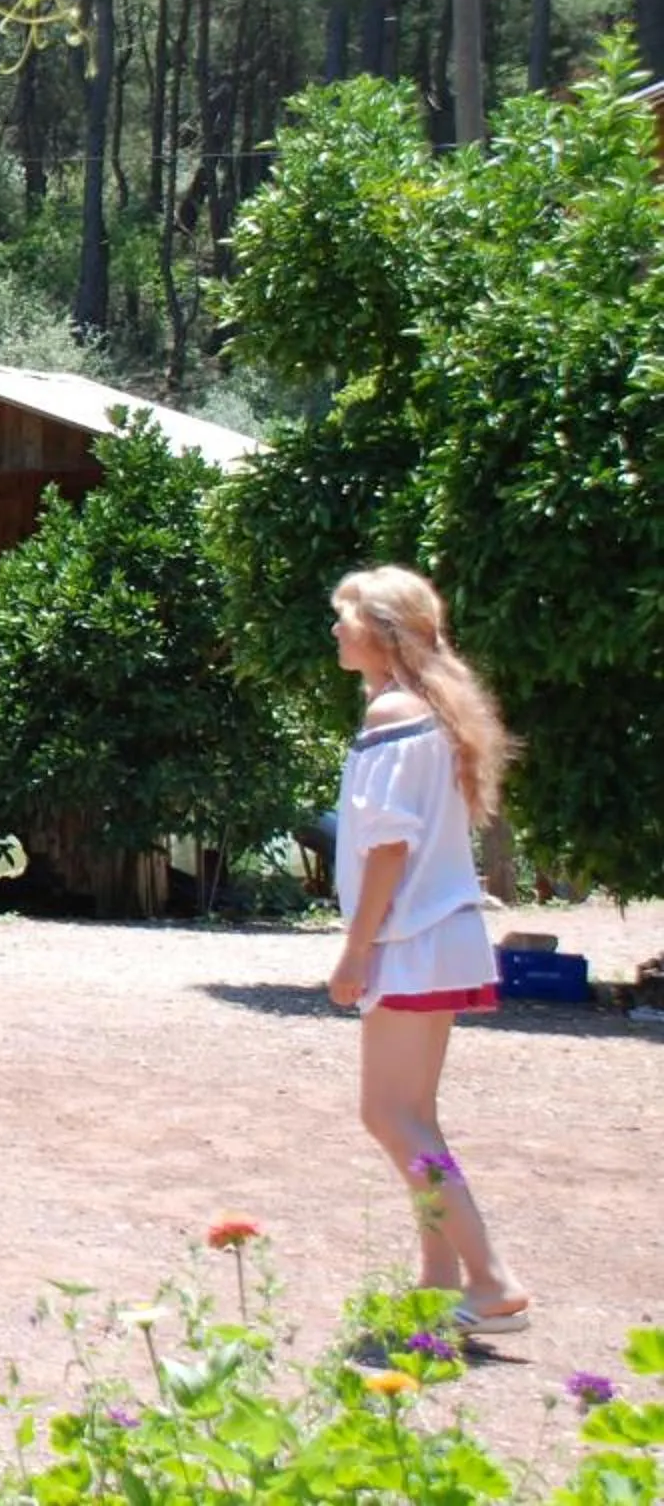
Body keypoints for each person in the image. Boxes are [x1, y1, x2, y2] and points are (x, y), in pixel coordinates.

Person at [326, 564, 528, 1339]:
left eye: (346, 620)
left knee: (388, 1114)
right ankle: (441, 1277)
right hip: (443, 936)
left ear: (380, 633)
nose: (337, 632)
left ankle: (490, 1276)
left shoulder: (394, 716)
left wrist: (355, 950)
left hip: (409, 940)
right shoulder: (428, 711)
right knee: (413, 1115)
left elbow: (386, 849)